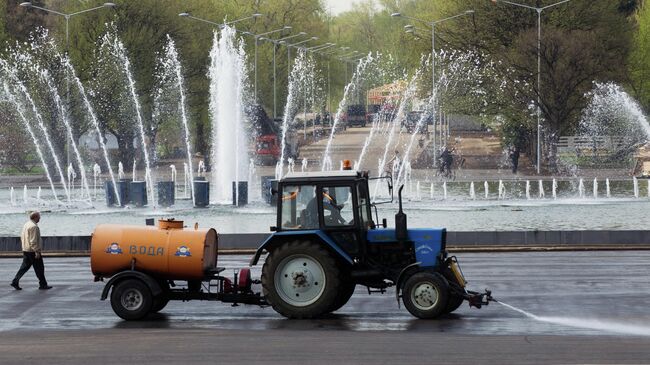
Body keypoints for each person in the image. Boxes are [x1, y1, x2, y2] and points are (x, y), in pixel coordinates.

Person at [11, 211, 51, 290]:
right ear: (35, 217)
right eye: (39, 217)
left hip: (26, 250)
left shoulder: (26, 224)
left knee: (24, 267)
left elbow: (23, 237)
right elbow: (33, 241)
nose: (40, 218)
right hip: (32, 251)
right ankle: (43, 285)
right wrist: (37, 251)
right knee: (39, 268)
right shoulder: (34, 227)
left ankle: (15, 281)